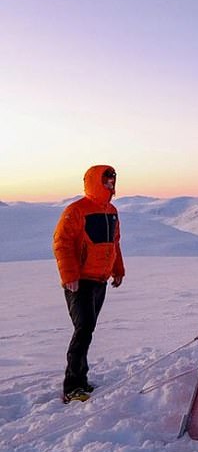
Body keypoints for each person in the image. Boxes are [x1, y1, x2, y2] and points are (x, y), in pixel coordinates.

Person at [52, 165, 125, 403]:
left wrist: (118, 270)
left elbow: (114, 243)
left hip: (100, 280)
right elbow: (61, 243)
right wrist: (69, 276)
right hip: (79, 281)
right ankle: (72, 386)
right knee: (83, 329)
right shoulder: (76, 211)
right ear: (95, 181)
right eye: (106, 180)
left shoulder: (111, 211)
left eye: (112, 180)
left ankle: (80, 381)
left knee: (87, 329)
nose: (110, 185)